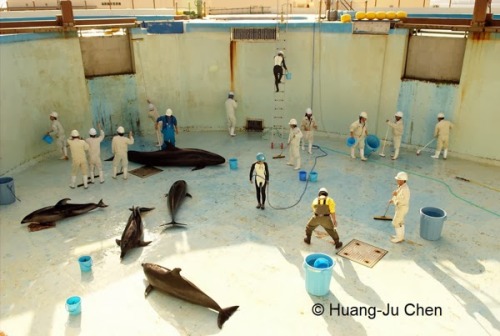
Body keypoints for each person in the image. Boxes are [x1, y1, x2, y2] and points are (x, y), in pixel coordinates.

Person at [389, 172, 410, 243]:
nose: (397, 181)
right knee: (400, 222)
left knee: (395, 222)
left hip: (402, 208)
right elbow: (398, 196)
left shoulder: (404, 190)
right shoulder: (401, 186)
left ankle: (399, 238)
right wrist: (393, 199)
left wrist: (395, 197)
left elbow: (400, 200)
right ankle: (400, 236)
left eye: (398, 180)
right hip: (402, 208)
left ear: (402, 180)